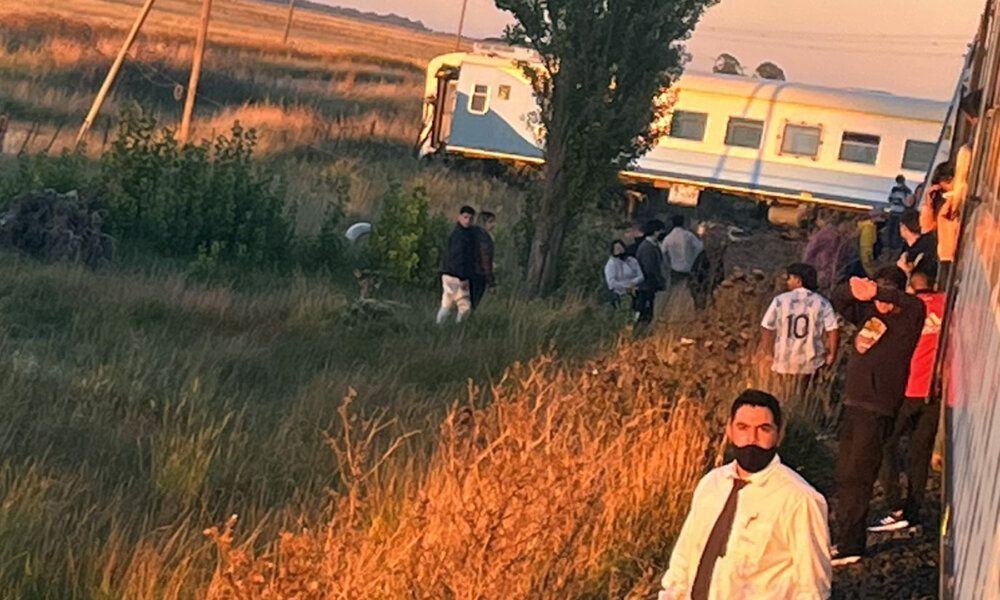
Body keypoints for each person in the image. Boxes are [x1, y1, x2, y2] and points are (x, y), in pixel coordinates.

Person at [659, 390, 831, 600]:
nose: (752, 439)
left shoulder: (799, 499)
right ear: (730, 430)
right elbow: (683, 558)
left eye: (764, 429)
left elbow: (812, 587)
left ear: (779, 435)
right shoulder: (711, 484)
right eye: (743, 428)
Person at [829, 266, 925, 565]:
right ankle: (845, 539)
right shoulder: (868, 314)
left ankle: (851, 545)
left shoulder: (908, 318)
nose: (881, 302)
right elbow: (838, 298)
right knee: (845, 475)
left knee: (859, 476)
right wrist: (855, 289)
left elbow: (912, 303)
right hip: (853, 403)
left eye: (887, 294)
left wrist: (879, 292)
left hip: (878, 407)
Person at [870, 267, 945, 533]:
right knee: (919, 453)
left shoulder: (906, 309)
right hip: (934, 391)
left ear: (910, 287)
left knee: (885, 444)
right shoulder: (948, 305)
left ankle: (894, 505)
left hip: (905, 389)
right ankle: (913, 513)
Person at [759, 263, 839, 414]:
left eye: (790, 278)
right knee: (805, 400)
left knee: (782, 400)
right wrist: (831, 355)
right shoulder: (821, 302)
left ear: (798, 280)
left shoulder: (780, 300)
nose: (788, 281)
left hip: (783, 360)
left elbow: (767, 327)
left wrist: (767, 351)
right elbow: (833, 329)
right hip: (810, 361)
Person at [920, 162, 960, 288]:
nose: (948, 187)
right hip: (945, 253)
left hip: (957, 249)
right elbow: (926, 227)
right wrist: (928, 203)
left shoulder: (960, 198)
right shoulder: (942, 202)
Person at [436, 205, 477, 324]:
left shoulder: (459, 233)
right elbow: (458, 257)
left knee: (447, 302)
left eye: (470, 218)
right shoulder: (461, 236)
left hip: (448, 273)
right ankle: (460, 327)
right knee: (464, 304)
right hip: (456, 275)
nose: (467, 221)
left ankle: (439, 325)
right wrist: (462, 277)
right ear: (459, 217)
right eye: (465, 217)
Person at [660, 215, 704, 322]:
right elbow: (700, 247)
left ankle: (672, 316)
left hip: (675, 269)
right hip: (689, 269)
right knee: (689, 294)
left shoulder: (669, 238)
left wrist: (668, 262)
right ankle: (689, 316)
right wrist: (693, 257)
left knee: (674, 294)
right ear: (684, 223)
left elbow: (663, 251)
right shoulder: (688, 235)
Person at [802, 210, 844, 292]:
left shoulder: (826, 235)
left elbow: (810, 251)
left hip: (823, 268)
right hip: (825, 268)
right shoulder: (831, 235)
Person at [634, 219, 667, 323]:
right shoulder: (648, 248)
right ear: (655, 231)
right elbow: (650, 269)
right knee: (645, 314)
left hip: (648, 286)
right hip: (646, 287)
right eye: (661, 231)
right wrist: (659, 281)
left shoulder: (651, 246)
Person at [837, 210, 885, 282]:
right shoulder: (868, 228)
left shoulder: (864, 228)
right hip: (861, 268)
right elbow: (866, 252)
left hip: (856, 267)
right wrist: (871, 273)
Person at [896, 208, 938, 278]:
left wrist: (906, 270)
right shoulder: (929, 241)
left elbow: (924, 276)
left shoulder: (924, 251)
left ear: (904, 228)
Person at [603, 239, 644, 307]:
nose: (620, 250)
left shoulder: (632, 260)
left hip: (636, 291)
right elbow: (611, 283)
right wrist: (626, 286)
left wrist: (633, 282)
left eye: (621, 248)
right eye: (617, 249)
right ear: (613, 251)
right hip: (621, 294)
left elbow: (641, 276)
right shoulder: (611, 264)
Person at [470, 211, 496, 309]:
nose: (493, 225)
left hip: (465, 272)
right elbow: (485, 260)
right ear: (483, 223)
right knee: (473, 303)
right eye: (490, 222)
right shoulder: (484, 238)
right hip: (478, 274)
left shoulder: (469, 233)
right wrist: (491, 281)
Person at [886, 175, 911, 250]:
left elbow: (890, 199)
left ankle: (890, 246)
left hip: (894, 210)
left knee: (891, 230)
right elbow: (907, 203)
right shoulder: (907, 190)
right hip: (900, 212)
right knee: (897, 230)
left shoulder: (894, 189)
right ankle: (896, 246)